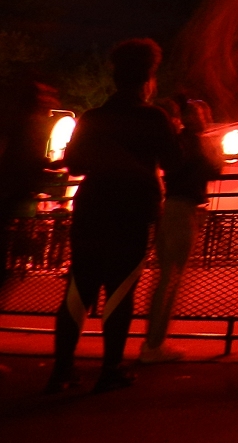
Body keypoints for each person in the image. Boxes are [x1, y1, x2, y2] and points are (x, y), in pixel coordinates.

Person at [46, 39, 178, 393]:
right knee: (120, 291)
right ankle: (110, 368)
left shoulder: (93, 118)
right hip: (132, 212)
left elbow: (73, 162)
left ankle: (61, 370)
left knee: (79, 288)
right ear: (147, 80)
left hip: (92, 208)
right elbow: (174, 163)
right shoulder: (154, 118)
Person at [141, 96, 221, 363]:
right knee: (172, 278)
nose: (206, 119)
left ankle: (153, 341)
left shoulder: (177, 141)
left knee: (165, 277)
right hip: (184, 209)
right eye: (203, 115)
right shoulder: (197, 143)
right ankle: (154, 345)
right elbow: (215, 169)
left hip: (171, 207)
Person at [0, 79, 58, 282]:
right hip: (13, 191)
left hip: (15, 191)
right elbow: (22, 158)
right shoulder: (27, 124)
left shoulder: (19, 122)